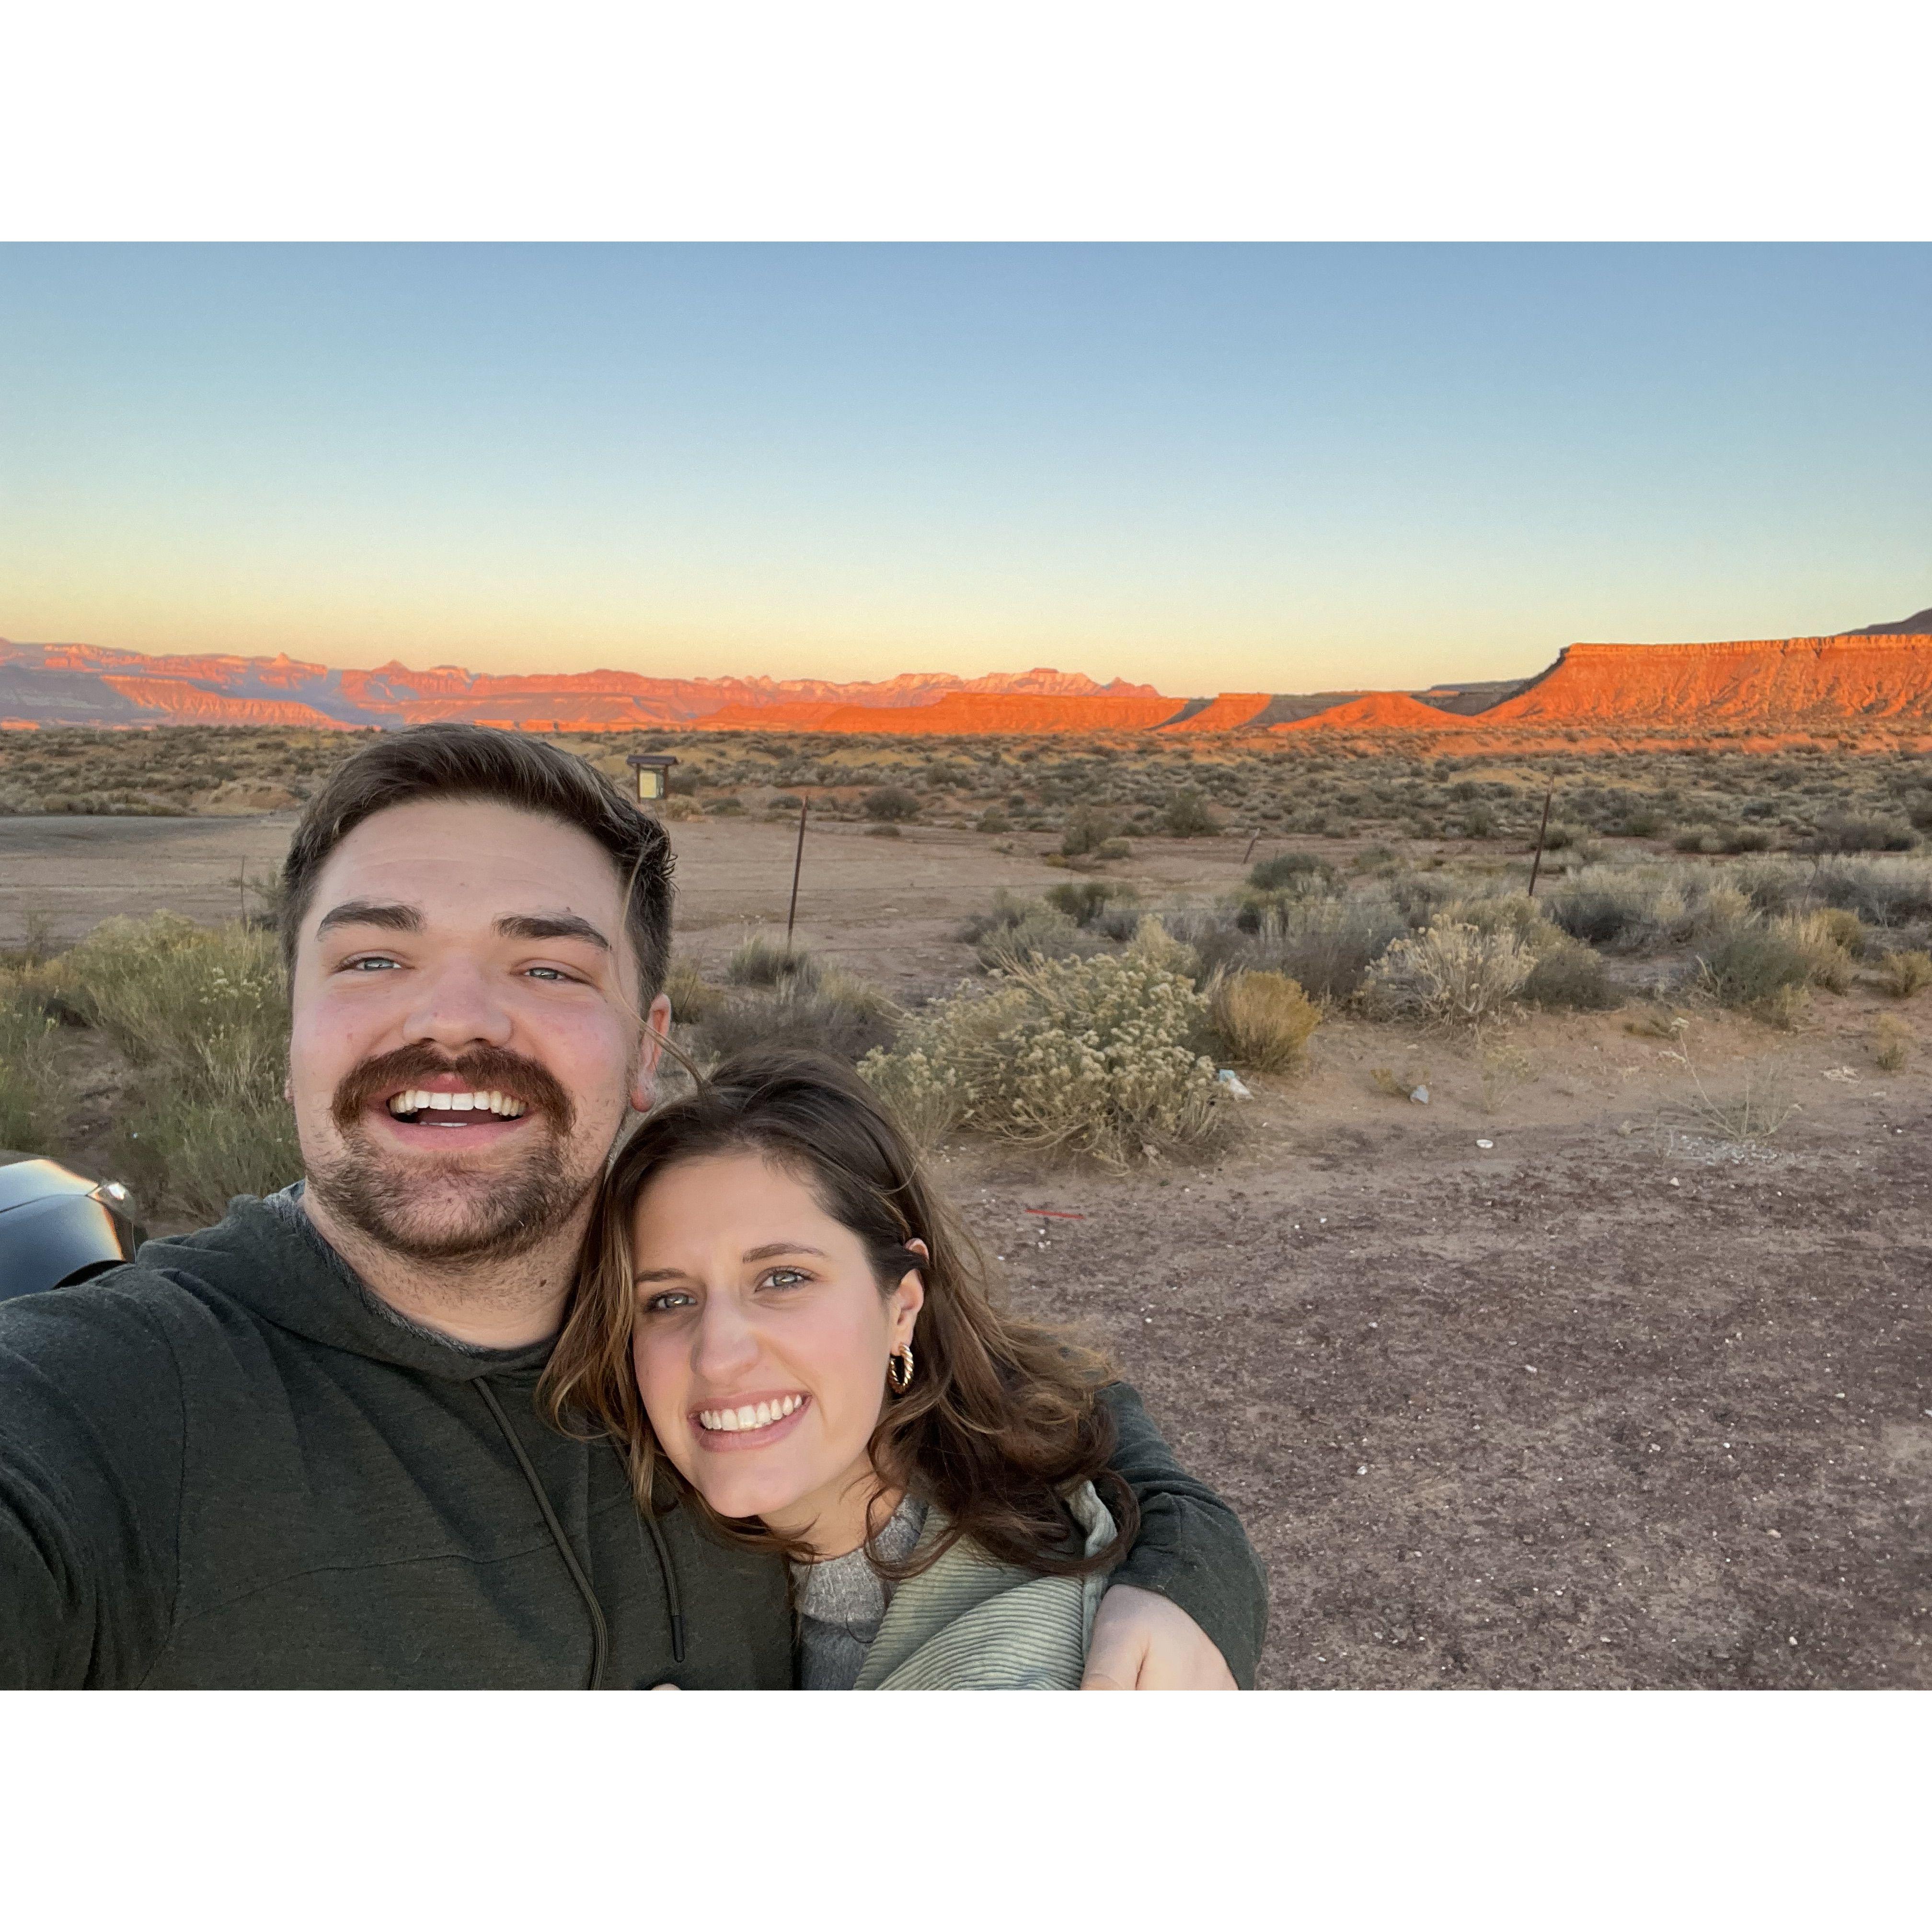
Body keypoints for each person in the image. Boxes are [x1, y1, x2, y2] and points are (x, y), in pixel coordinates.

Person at [0, 724, 1267, 1689]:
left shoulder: (676, 1285)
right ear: (290, 1029)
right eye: (375, 958)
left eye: (545, 965)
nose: (452, 1020)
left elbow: (1038, 1394)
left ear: (645, 1041)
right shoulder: (114, 1405)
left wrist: (1189, 1568)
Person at [550, 1049, 1168, 1690]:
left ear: (902, 1307)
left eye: (783, 1279)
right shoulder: (623, 1524)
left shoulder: (1033, 1664)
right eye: (670, 1299)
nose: (717, 1354)